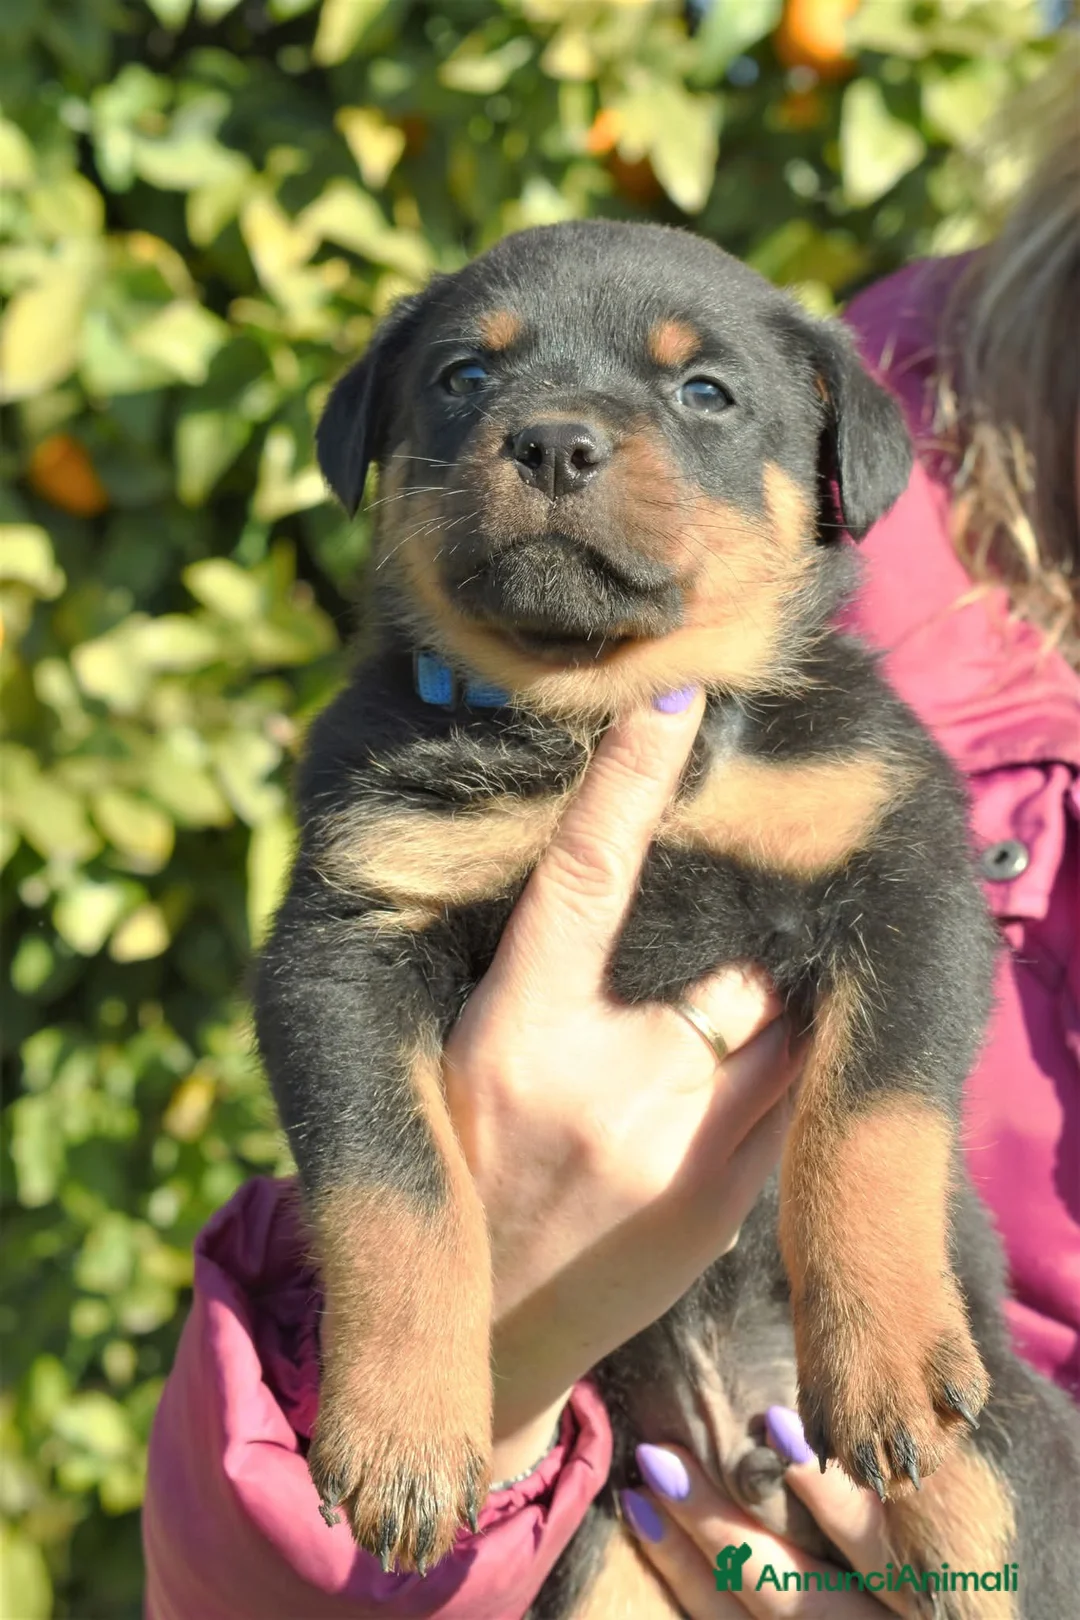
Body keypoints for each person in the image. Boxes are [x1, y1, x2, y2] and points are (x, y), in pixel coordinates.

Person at [142, 128, 1079, 1620]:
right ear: (373, 470)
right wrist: (440, 1332)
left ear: (830, 481)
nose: (563, 434)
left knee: (990, 1546)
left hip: (906, 1418)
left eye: (701, 394)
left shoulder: (837, 749)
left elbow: (912, 920)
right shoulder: (398, 773)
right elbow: (336, 984)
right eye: (468, 385)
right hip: (594, 1474)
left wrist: (876, 1244)